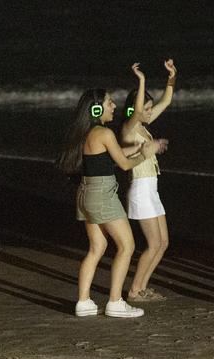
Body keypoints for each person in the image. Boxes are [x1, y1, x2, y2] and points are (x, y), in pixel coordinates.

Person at [56, 63, 159, 318]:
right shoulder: (104, 132)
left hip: (86, 194)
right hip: (102, 194)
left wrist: (138, 150)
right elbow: (123, 165)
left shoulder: (88, 133)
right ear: (97, 108)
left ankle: (83, 301)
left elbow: (109, 158)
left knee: (97, 247)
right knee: (127, 246)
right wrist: (143, 154)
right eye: (110, 102)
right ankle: (115, 302)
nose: (114, 107)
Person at [120, 59, 175, 302]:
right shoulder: (128, 128)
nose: (149, 111)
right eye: (146, 107)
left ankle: (142, 287)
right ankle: (134, 290)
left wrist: (171, 77)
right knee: (153, 244)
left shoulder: (143, 127)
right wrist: (141, 80)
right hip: (141, 189)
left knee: (163, 243)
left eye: (150, 108)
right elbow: (139, 110)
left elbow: (167, 101)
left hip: (152, 189)